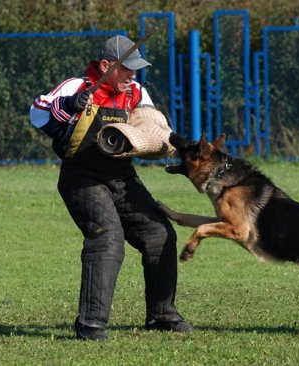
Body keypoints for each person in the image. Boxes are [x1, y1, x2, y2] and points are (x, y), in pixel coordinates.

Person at [29, 35, 192, 340]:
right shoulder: (78, 86)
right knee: (108, 238)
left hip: (121, 177)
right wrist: (67, 105)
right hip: (82, 177)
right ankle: (90, 324)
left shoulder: (135, 92)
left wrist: (182, 146)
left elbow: (155, 126)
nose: (133, 76)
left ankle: (161, 314)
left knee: (160, 234)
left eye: (136, 69)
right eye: (127, 69)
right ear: (106, 66)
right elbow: (37, 112)